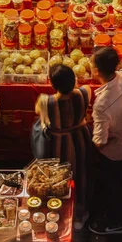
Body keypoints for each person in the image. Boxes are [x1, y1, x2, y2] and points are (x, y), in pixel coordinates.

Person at [89, 46, 122, 236]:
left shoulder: (102, 104)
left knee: (115, 186)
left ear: (97, 71)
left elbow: (99, 141)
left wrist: (92, 137)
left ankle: (116, 223)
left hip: (116, 151)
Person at [36, 64, 93, 228]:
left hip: (59, 144)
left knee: (59, 178)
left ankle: (58, 212)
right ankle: (79, 215)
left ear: (53, 85)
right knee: (81, 174)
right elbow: (83, 90)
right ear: (74, 80)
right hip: (80, 139)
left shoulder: (46, 101)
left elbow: (38, 111)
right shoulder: (84, 92)